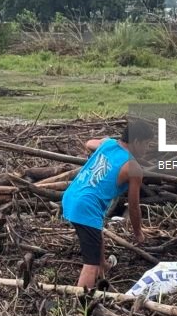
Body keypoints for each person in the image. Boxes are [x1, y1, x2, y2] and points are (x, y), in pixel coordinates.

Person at [62, 121, 154, 289]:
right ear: (136, 141)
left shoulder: (109, 143)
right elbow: (133, 206)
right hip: (85, 206)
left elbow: (89, 143)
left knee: (96, 233)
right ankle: (82, 306)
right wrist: (138, 233)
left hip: (72, 195)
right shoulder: (133, 167)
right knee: (90, 265)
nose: (147, 149)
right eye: (147, 144)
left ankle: (103, 266)